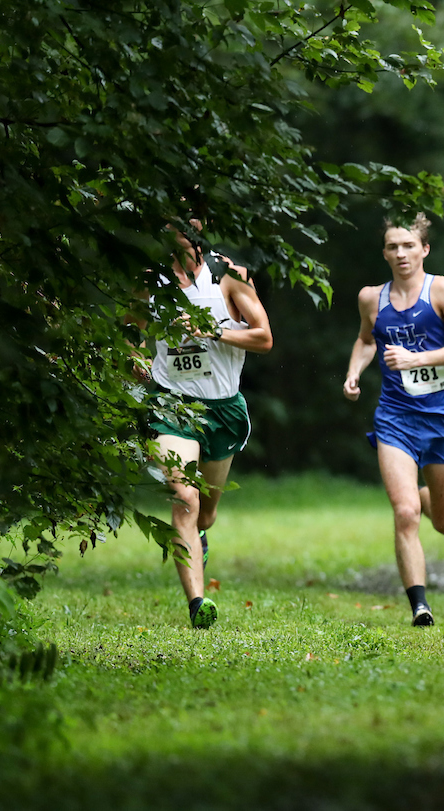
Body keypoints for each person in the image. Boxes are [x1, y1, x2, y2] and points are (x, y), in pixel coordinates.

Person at [343, 214, 444, 627]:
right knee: (404, 513)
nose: (400, 253)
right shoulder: (371, 298)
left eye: (408, 245)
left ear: (424, 249)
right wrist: (354, 371)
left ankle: (425, 496)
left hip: (442, 418)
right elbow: (366, 341)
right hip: (395, 417)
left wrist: (416, 358)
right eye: (392, 247)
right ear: (384, 253)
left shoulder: (442, 290)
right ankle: (419, 604)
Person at [146, 219, 273, 628]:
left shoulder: (229, 276)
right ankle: (198, 604)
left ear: (201, 226)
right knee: (185, 498)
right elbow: (130, 331)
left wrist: (213, 331)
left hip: (222, 410)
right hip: (170, 405)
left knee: (205, 514)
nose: (180, 228)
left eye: (188, 220)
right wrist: (132, 360)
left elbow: (264, 337)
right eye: (169, 221)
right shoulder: (150, 280)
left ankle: (200, 537)